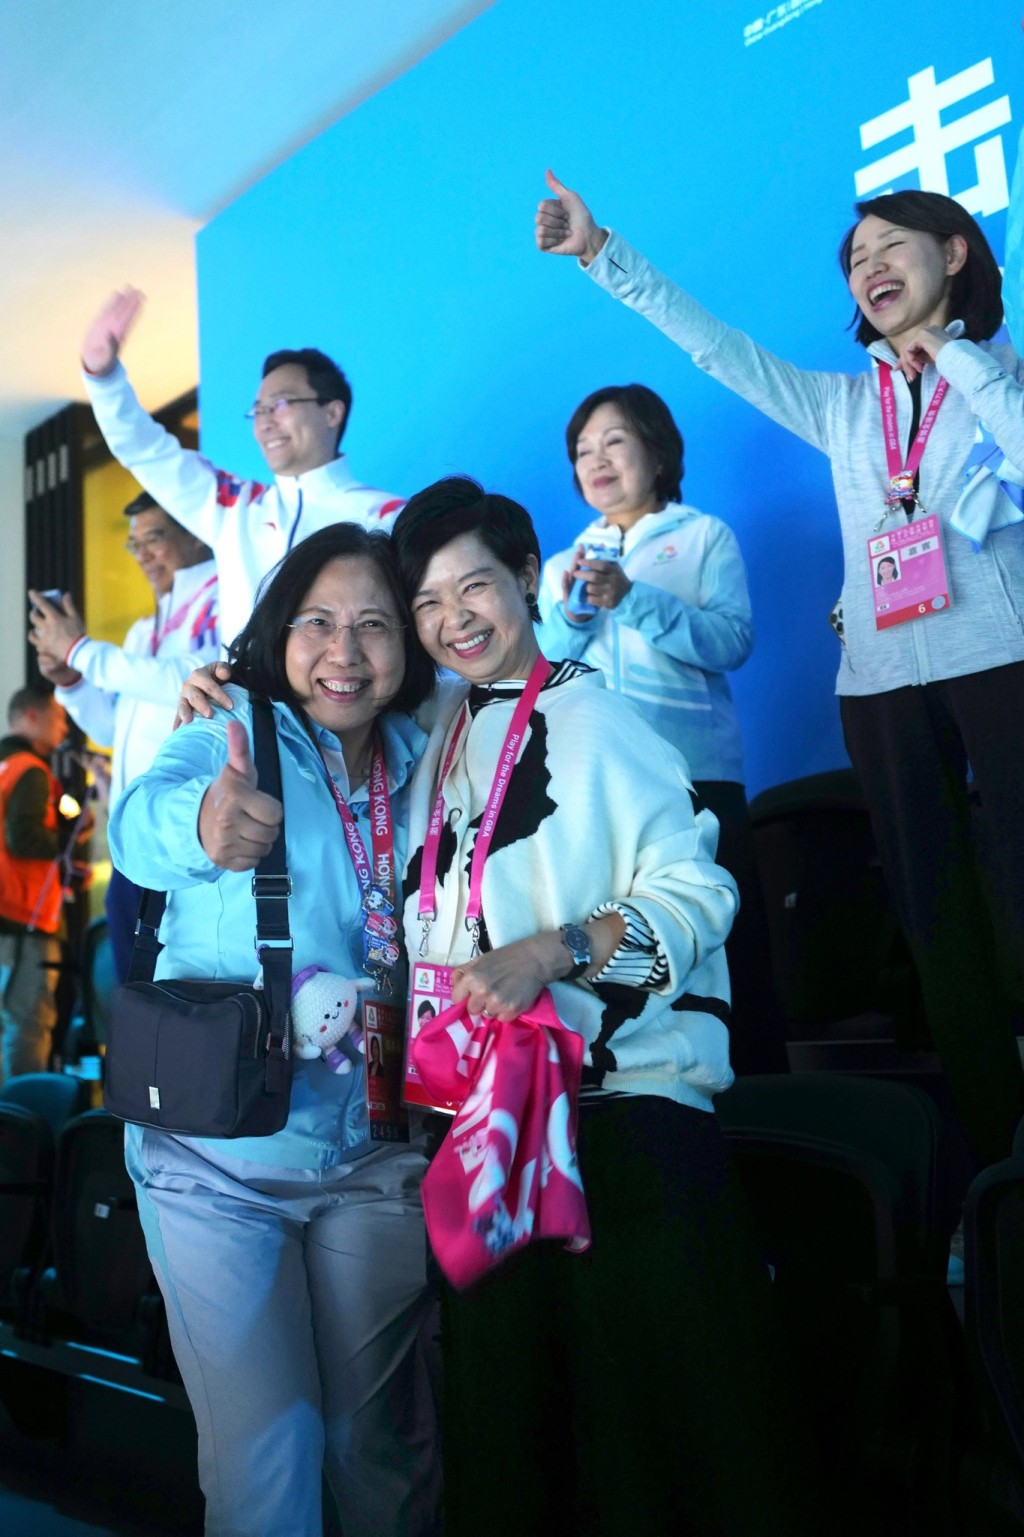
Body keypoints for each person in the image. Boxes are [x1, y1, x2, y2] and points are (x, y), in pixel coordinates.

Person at [536, 170, 1024, 1170]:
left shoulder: (999, 375)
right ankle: (997, 1170)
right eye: (855, 260)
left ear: (954, 254)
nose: (868, 268)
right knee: (935, 924)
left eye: (889, 247)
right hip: (880, 686)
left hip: (999, 659)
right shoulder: (844, 406)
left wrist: (957, 357)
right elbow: (716, 347)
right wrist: (602, 254)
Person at [391, 476, 816, 1537]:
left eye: (474, 586)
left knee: (649, 1459)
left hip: (617, 1122)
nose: (454, 619)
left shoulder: (597, 718)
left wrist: (555, 950)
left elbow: (700, 893)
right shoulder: (438, 739)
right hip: (488, 1138)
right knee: (513, 1449)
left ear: (528, 577)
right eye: (428, 602)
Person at [108, 524, 439, 1537]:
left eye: (374, 625)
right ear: (277, 631)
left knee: (380, 1449)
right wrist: (203, 828)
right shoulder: (230, 725)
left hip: (377, 1156)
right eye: (318, 622)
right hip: (218, 1164)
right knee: (270, 1454)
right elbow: (137, 822)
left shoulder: (429, 753)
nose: (346, 651)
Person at [538, 382, 787, 1073]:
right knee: (633, 939)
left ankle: (765, 1087)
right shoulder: (562, 566)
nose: (596, 459)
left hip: (698, 773)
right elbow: (543, 671)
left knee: (729, 938)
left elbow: (731, 641)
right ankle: (656, 1080)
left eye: (614, 440)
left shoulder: (703, 536)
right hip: (600, 786)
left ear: (658, 451)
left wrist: (634, 598)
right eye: (582, 449)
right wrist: (575, 614)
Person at [80, 290, 404, 648]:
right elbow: (148, 453)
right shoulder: (236, 507)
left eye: (281, 404)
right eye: (258, 410)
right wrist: (104, 380)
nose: (265, 422)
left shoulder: (389, 517)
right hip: (241, 688)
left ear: (332, 412)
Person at [29, 491, 219, 980]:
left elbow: (194, 677)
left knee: (177, 985)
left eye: (154, 538)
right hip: (131, 840)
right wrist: (71, 679)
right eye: (135, 544)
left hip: (187, 832)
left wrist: (81, 650)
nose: (143, 555)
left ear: (195, 531)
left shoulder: (223, 599)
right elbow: (110, 728)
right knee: (131, 995)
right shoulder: (140, 630)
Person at [0, 688, 90, 1086]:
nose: (64, 726)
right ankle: (23, 1116)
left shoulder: (5, 767)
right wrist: (69, 846)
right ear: (31, 717)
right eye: (58, 716)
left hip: (9, 914)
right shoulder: (31, 771)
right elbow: (23, 838)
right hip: (24, 919)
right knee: (28, 1024)